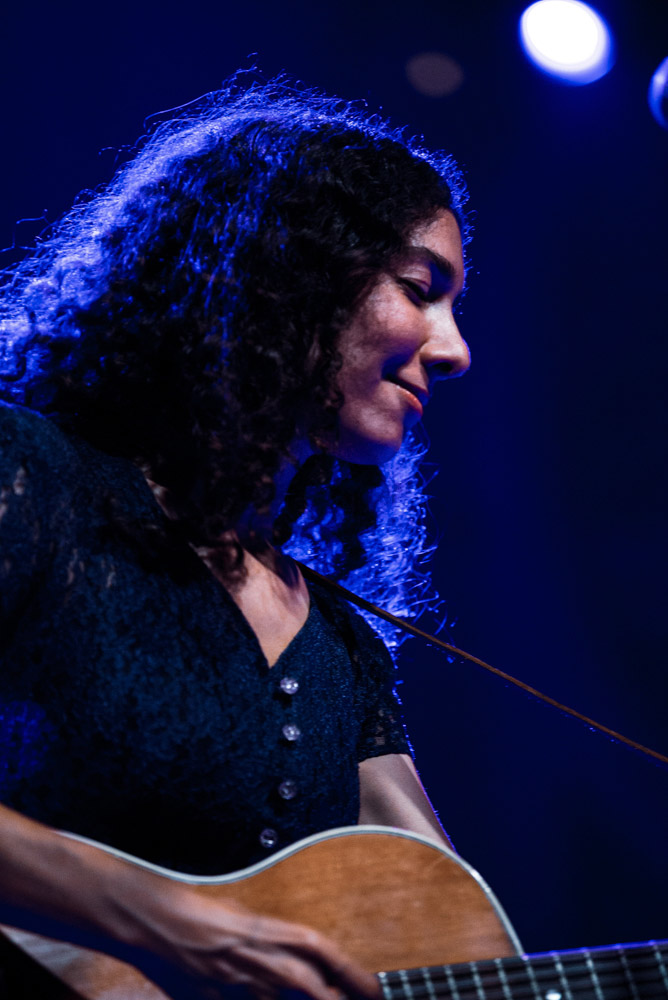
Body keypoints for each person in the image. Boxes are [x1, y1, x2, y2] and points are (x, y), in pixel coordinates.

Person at [0, 77, 470, 999]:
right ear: (292, 278)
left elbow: (453, 931)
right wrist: (174, 924)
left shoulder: (342, 651)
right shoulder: (32, 482)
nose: (454, 350)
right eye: (421, 290)